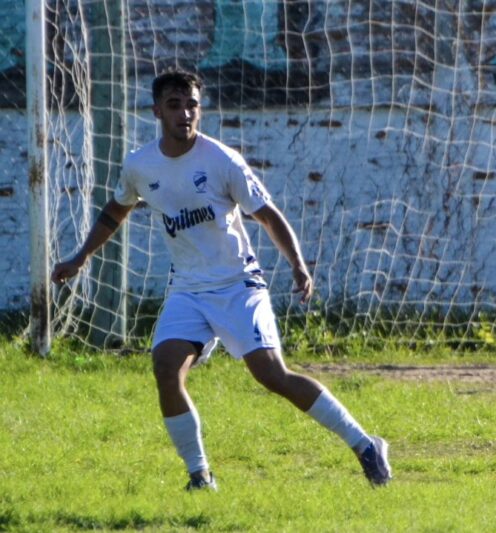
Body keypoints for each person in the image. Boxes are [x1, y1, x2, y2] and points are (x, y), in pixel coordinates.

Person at [51, 69, 392, 491]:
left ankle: (366, 445)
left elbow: (267, 215)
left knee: (271, 375)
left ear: (200, 108)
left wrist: (298, 265)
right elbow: (116, 210)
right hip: (187, 289)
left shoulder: (222, 160)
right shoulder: (140, 165)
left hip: (237, 285)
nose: (185, 113)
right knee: (165, 367)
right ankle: (200, 476)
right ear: (157, 111)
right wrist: (80, 256)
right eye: (175, 105)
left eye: (192, 104)